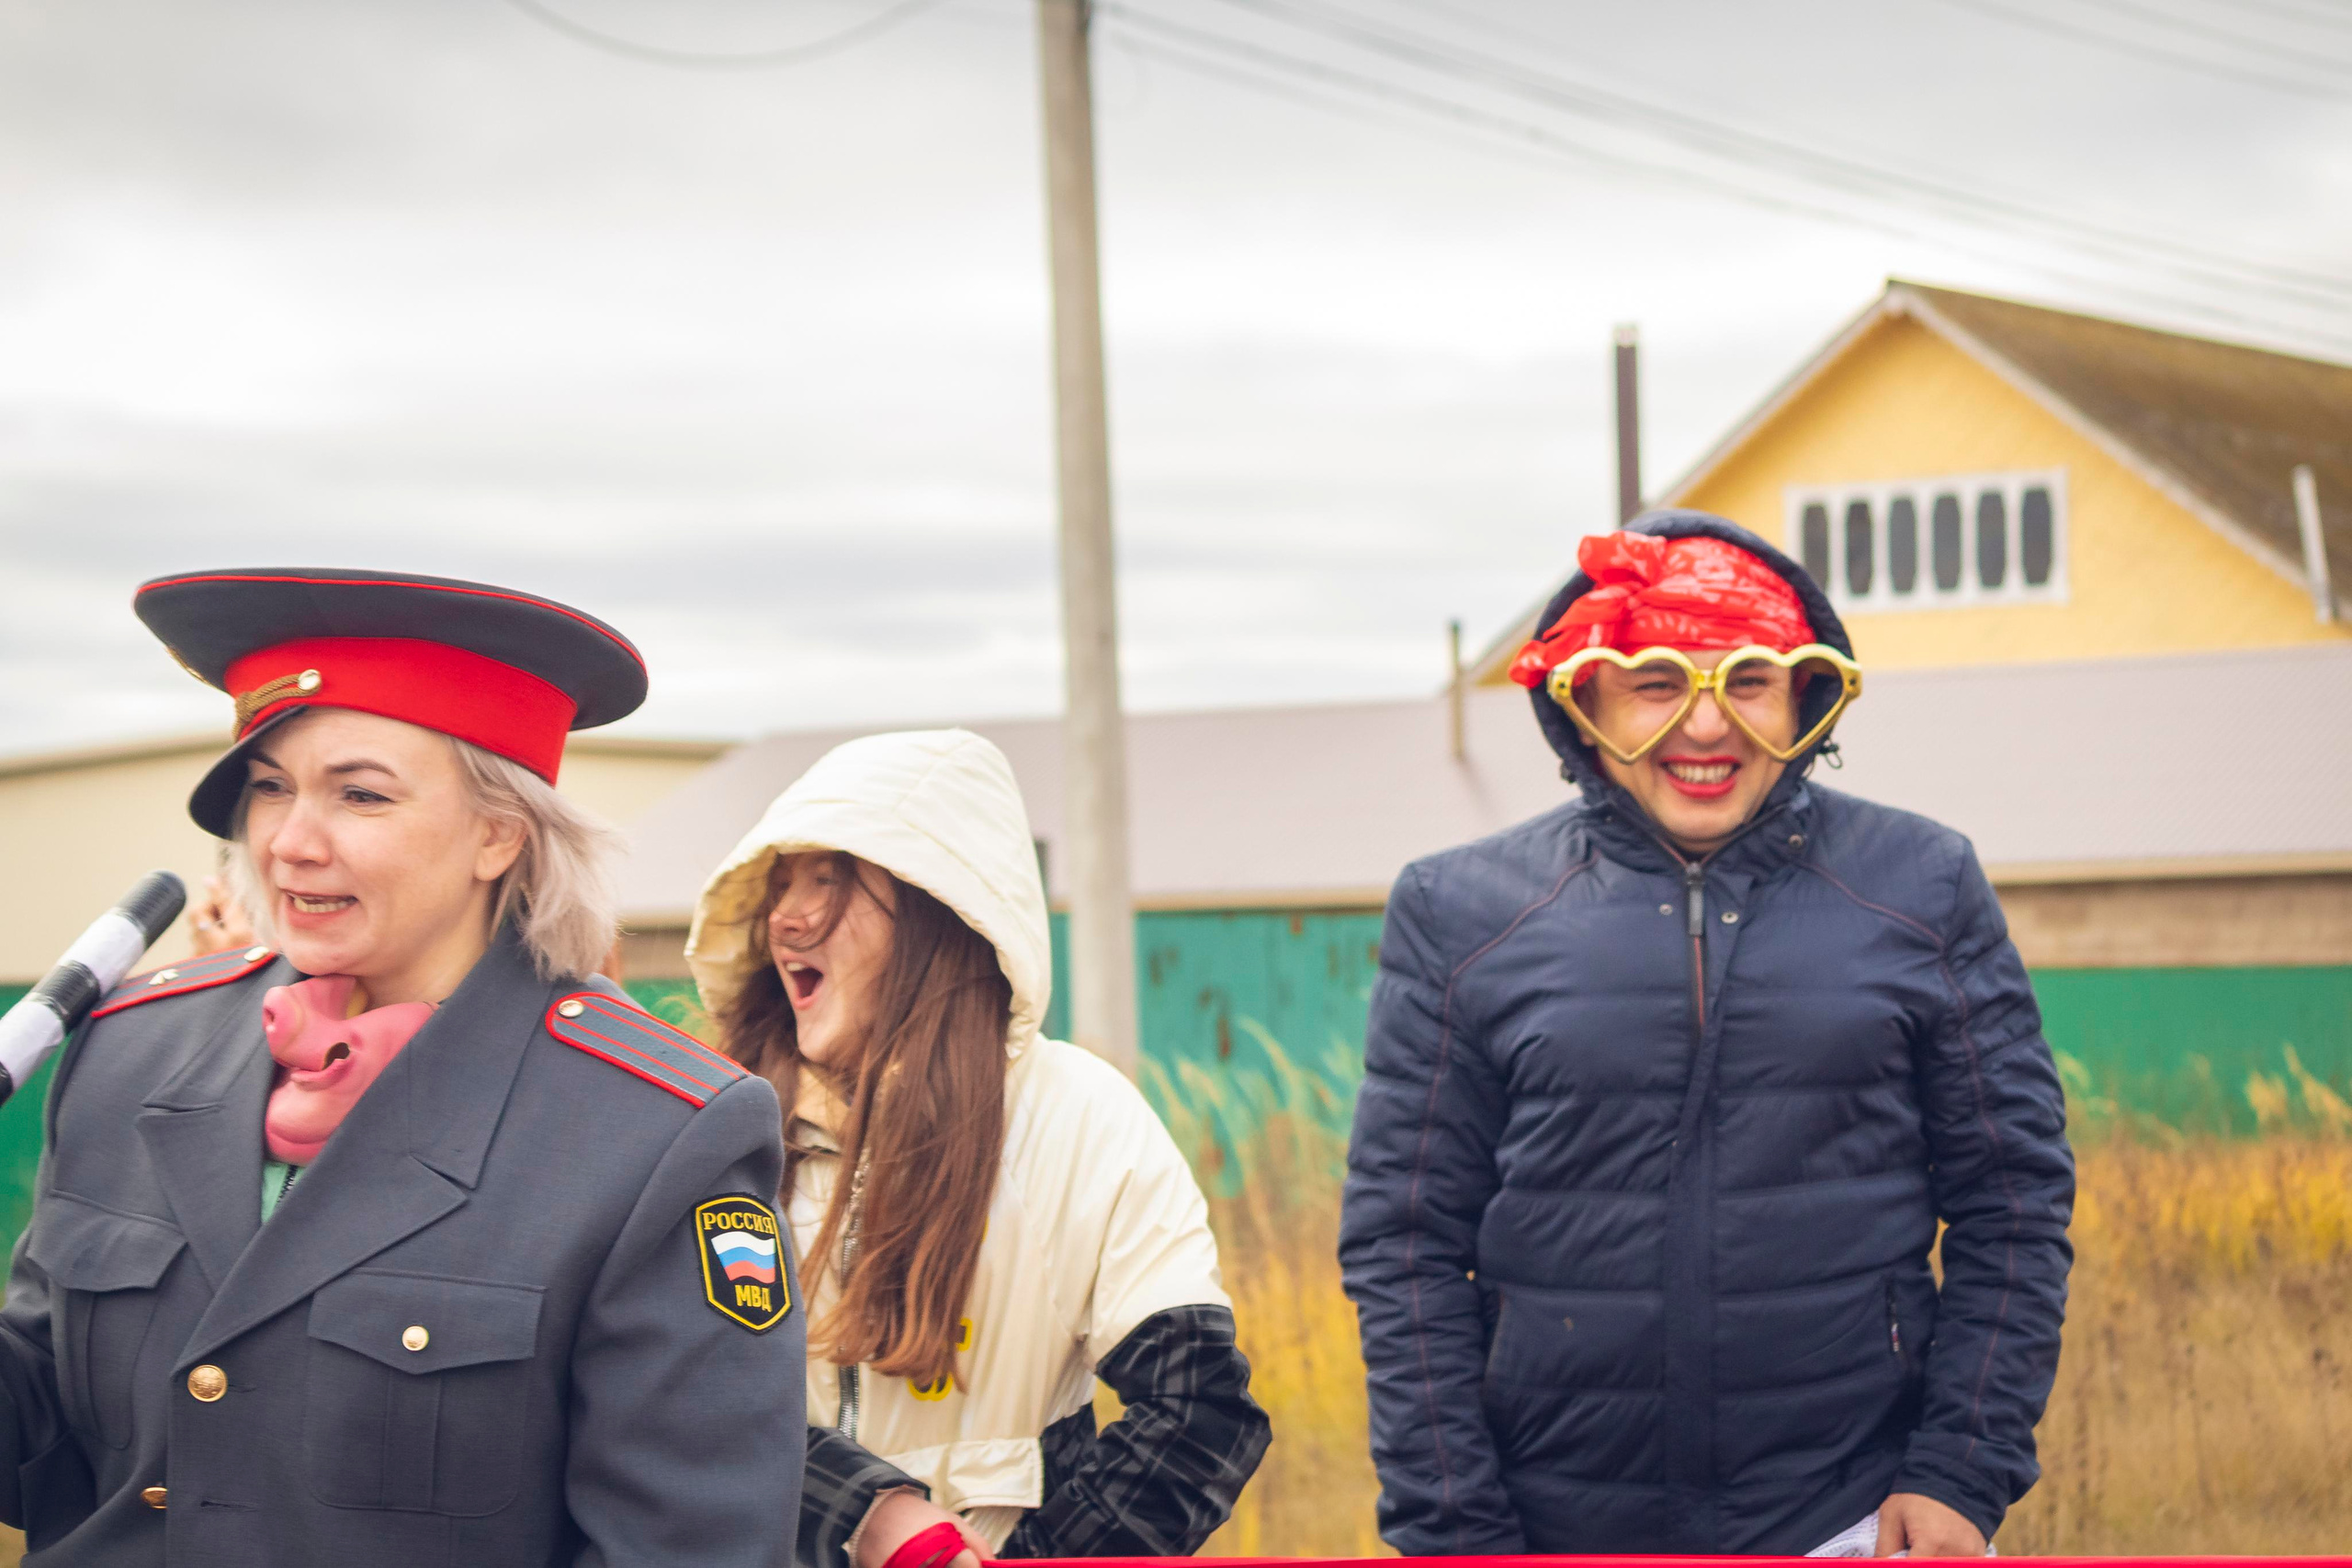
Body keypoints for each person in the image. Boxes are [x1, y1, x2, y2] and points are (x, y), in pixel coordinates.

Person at [0, 567, 803, 1564]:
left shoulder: (655, 1131)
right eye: (268, 789)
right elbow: (38, 1418)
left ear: (499, 835)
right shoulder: (129, 1048)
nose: (290, 843)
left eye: (360, 795)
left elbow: (688, 1544)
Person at [1342, 514, 2074, 1557]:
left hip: (1850, 1519)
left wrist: (1961, 1470)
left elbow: (2013, 1202)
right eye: (1654, 682)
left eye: (1746, 680)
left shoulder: (1923, 884)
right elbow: (1404, 1244)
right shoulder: (1459, 911)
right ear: (1582, 702)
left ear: (1805, 696)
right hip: (1549, 1528)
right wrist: (1453, 1530)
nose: (1703, 726)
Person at [686, 728, 1271, 1567]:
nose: (787, 915)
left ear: (939, 905)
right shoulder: (722, 1130)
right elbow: (681, 1399)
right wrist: (872, 1517)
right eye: (779, 883)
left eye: (832, 877)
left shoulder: (1077, 1117)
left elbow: (1199, 1412)